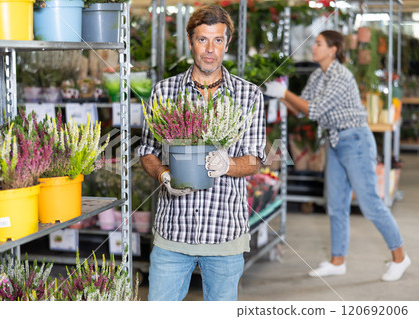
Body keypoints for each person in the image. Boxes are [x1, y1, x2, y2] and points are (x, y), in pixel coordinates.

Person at [139, 4, 266, 301]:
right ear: (190, 40)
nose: (210, 50)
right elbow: (146, 151)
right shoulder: (165, 92)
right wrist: (163, 173)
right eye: (202, 39)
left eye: (218, 40)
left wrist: (228, 165)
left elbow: (256, 159)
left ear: (228, 43)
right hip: (173, 233)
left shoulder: (249, 96)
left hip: (224, 234)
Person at [266, 30, 411, 281]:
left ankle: (400, 257)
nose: (313, 47)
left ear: (333, 49)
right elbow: (302, 110)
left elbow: (315, 110)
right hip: (334, 141)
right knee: (335, 204)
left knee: (370, 203)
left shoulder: (341, 76)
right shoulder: (317, 76)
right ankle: (337, 261)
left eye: (319, 44)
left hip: (354, 141)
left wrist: (284, 94)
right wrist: (277, 96)